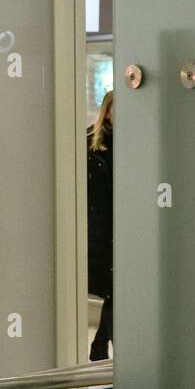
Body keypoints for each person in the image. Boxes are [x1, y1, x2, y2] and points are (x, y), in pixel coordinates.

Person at [86, 90, 114, 362]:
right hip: (100, 233)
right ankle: (101, 346)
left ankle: (99, 345)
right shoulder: (92, 146)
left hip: (120, 231)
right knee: (114, 291)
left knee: (115, 292)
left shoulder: (133, 144)